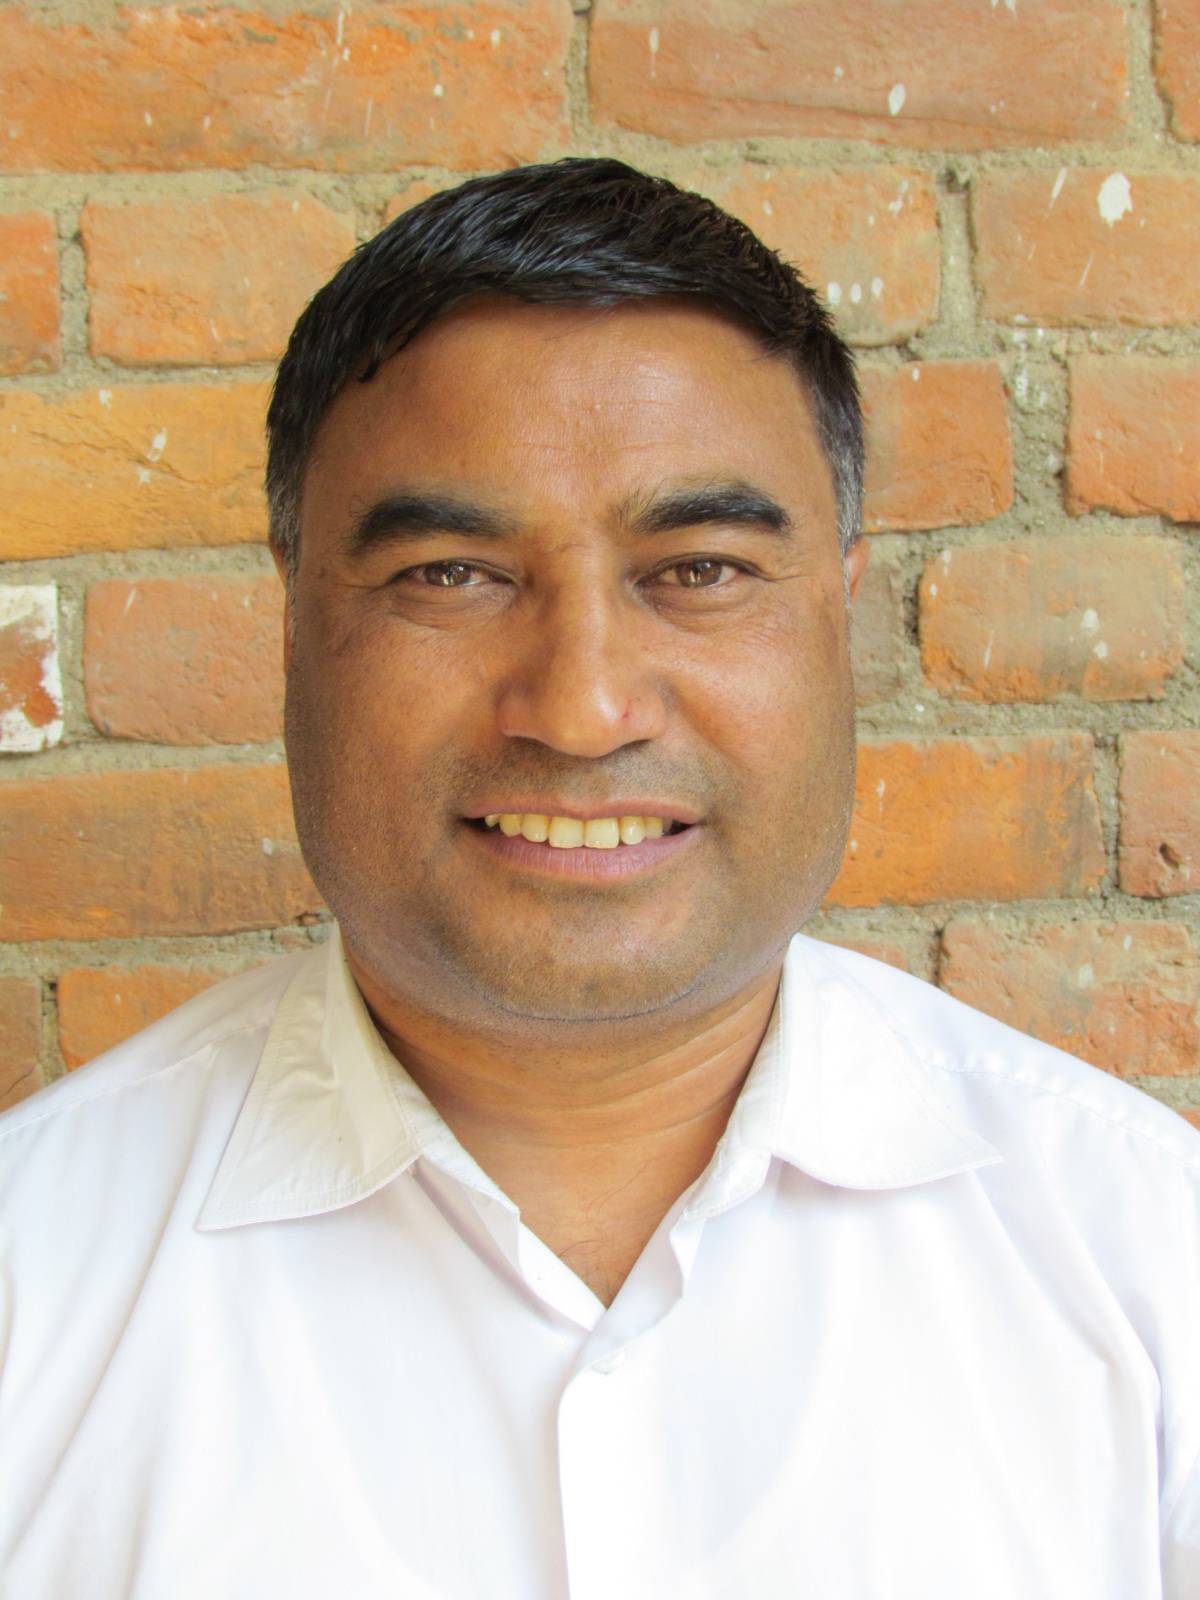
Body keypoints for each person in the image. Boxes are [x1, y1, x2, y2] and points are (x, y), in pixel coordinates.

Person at [1, 158, 1196, 1598]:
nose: (579, 708)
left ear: (842, 610)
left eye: (698, 569)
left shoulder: (1148, 1266)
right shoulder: (34, 1282)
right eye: (449, 574)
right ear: (294, 616)